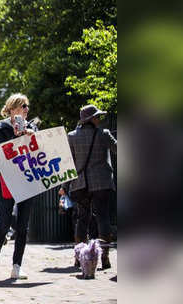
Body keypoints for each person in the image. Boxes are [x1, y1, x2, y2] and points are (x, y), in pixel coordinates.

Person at [0, 93, 37, 280]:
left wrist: (31, 135)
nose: (26, 110)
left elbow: (40, 148)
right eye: (23, 106)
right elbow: (0, 151)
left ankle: (17, 265)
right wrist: (18, 136)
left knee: (22, 226)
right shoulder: (2, 127)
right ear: (13, 107)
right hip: (7, 180)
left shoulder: (32, 127)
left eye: (27, 107)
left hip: (28, 179)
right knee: (4, 224)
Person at [59, 104, 117, 269]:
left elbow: (68, 165)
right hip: (101, 183)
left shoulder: (71, 136)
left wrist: (64, 185)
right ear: (91, 119)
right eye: (97, 117)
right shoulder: (103, 134)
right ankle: (104, 258)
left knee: (82, 219)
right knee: (103, 218)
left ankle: (79, 258)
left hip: (80, 184)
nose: (99, 119)